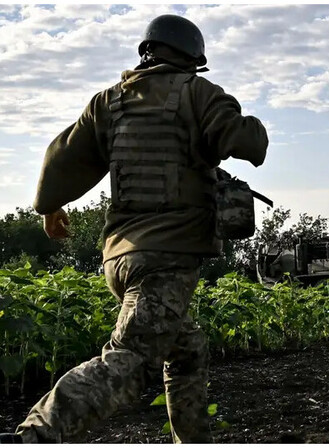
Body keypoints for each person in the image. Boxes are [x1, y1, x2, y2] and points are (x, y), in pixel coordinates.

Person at [0, 14, 268, 444]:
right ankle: (36, 435)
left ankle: (193, 439)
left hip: (120, 258)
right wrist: (253, 128)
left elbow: (62, 156)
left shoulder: (109, 102)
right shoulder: (199, 93)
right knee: (130, 359)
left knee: (187, 350)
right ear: (194, 58)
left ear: (147, 52)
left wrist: (50, 207)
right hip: (168, 258)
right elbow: (243, 143)